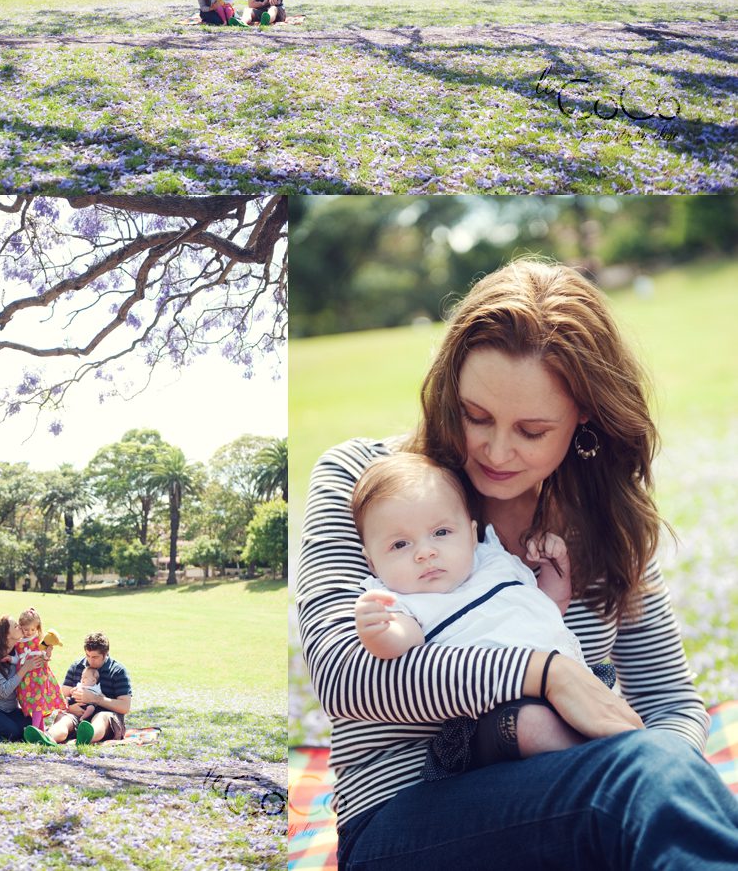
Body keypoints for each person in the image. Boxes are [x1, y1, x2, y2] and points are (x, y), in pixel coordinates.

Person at [297, 259, 738, 871]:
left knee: (656, 782)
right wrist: (545, 672)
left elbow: (671, 702)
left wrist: (656, 763)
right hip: (407, 823)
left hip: (582, 803)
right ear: (450, 386)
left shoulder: (602, 522)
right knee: (640, 783)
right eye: (476, 416)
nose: (496, 451)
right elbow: (345, 679)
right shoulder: (364, 481)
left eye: (532, 430)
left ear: (585, 416)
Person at [352, 453, 592, 767]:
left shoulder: (494, 562)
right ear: (372, 562)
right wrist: (376, 630)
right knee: (535, 726)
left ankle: (608, 749)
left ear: (471, 532)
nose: (426, 552)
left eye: (441, 533)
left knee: (608, 709)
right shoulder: (403, 600)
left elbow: (547, 608)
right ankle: (597, 756)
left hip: (575, 683)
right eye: (400, 545)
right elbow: (400, 642)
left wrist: (556, 571)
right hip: (493, 718)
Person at [40, 631, 133, 746]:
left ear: (106, 653)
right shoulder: (77, 666)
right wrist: (69, 707)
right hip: (78, 714)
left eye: (95, 657)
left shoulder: (118, 671)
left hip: (106, 716)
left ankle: (86, 738)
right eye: (88, 655)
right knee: (65, 720)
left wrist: (96, 699)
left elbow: (125, 707)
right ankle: (47, 737)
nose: (90, 660)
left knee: (102, 717)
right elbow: (62, 696)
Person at [0, 615, 48, 741]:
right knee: (14, 732)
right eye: (16, 626)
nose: (21, 627)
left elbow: (39, 645)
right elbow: (4, 691)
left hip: (9, 710)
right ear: (6, 635)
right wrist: (25, 668)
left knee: (31, 724)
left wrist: (44, 657)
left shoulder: (19, 651)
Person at [14, 605, 67, 735]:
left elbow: (45, 657)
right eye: (26, 629)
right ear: (20, 627)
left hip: (39, 678)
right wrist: (10, 659)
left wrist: (48, 653)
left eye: (33, 629)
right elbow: (17, 658)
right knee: (32, 704)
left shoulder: (39, 641)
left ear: (37, 628)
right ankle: (41, 731)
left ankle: (35, 731)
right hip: (25, 680)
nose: (29, 632)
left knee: (38, 703)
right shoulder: (18, 643)